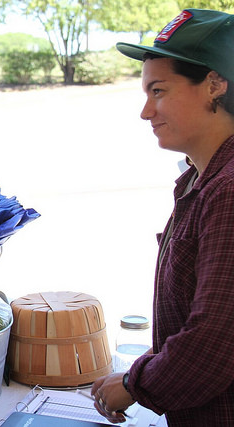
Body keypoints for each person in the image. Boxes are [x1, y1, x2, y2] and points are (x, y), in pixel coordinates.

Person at [92, 9, 234, 426]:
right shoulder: (200, 179)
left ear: (214, 84)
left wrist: (136, 385)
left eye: (158, 91)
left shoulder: (227, 191)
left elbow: (213, 344)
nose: (146, 111)